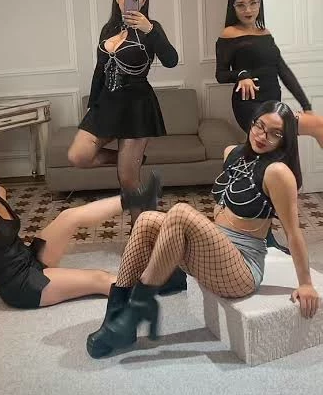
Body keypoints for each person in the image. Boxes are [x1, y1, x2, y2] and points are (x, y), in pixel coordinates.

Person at [86, 101, 320, 359]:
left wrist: (305, 284)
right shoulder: (232, 152)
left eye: (274, 133)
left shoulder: (278, 172)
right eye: (259, 126)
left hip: (241, 269)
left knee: (180, 212)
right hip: (214, 254)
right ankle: (115, 316)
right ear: (252, 122)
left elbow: (293, 232)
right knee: (146, 220)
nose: (262, 136)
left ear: (285, 139)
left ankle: (136, 311)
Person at [0, 158, 165, 324]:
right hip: (22, 285)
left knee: (69, 216)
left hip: (29, 257)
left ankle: (139, 197)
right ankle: (155, 283)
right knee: (99, 278)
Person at [68, 0, 178, 226]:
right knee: (78, 155)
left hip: (136, 105)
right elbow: (100, 69)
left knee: (128, 179)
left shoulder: (151, 28)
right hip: (106, 104)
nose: (130, 0)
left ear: (143, 1)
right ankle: (124, 159)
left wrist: (149, 30)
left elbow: (171, 60)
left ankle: (142, 234)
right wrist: (92, 106)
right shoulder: (108, 30)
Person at [215, 0, 323, 146]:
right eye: (241, 5)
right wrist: (241, 75)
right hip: (249, 105)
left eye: (253, 3)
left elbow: (283, 71)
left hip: (273, 103)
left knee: (316, 126)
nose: (248, 10)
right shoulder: (229, 34)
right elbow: (221, 75)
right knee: (309, 130)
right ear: (233, 7)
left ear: (260, 3)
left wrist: (306, 106)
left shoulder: (265, 33)